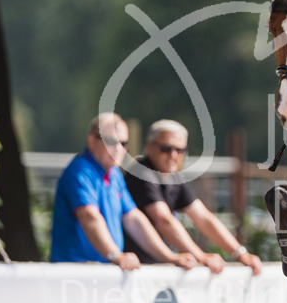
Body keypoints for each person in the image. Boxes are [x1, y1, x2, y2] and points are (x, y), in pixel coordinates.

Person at [50, 113, 198, 271]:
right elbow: (89, 217)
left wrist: (170, 257)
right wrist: (116, 255)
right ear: (92, 140)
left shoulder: (114, 174)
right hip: (73, 271)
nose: (119, 149)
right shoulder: (80, 171)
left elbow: (134, 219)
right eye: (111, 142)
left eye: (124, 143)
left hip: (104, 270)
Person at [122, 119, 263, 275]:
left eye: (180, 150)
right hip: (132, 269)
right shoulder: (142, 174)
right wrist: (201, 257)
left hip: (152, 267)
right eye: (165, 149)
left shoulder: (174, 177)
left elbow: (204, 218)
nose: (173, 155)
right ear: (149, 148)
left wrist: (240, 253)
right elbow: (164, 220)